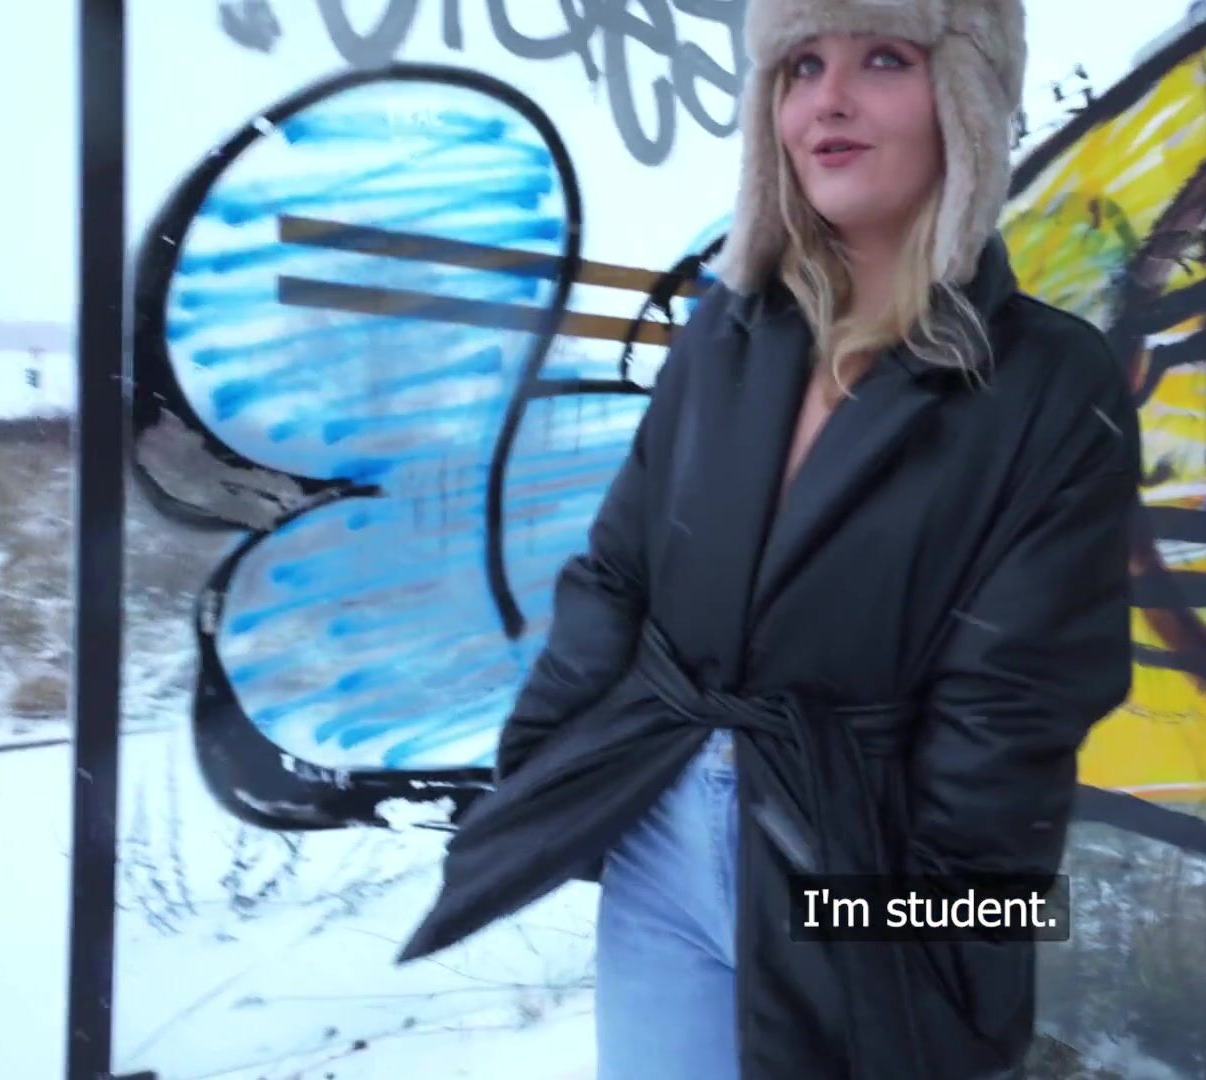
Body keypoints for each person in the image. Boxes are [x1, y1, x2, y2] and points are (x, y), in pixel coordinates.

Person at [398, 0, 1140, 1076]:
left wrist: (928, 940)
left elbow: (1014, 708)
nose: (827, 101)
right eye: (799, 67)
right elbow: (618, 570)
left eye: (882, 57)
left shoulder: (1046, 380)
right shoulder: (730, 330)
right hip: (662, 845)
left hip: (863, 867)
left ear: (966, 100)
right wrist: (549, 770)